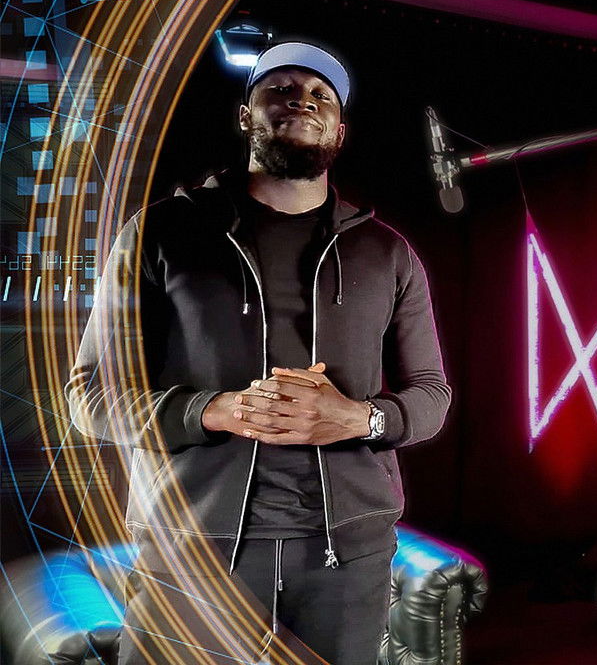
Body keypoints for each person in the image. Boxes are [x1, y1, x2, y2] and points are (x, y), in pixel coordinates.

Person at [65, 41, 452, 664]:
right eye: (281, 89)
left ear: (340, 131)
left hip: (347, 556)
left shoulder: (387, 253)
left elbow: (432, 395)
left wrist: (359, 419)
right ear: (246, 116)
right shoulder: (161, 232)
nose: (303, 100)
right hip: (191, 549)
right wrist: (213, 410)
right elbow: (88, 395)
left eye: (321, 95)